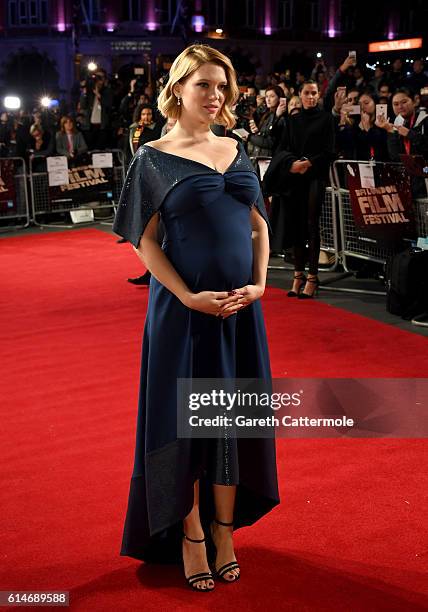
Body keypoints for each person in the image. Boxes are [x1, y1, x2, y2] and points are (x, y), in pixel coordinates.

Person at [112, 43, 279, 591]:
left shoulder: (236, 149)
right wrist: (186, 296)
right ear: (178, 89)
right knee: (184, 423)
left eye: (222, 86)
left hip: (238, 315)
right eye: (204, 85)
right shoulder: (152, 157)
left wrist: (259, 284)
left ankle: (225, 531)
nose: (216, 96)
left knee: (229, 421)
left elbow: (259, 227)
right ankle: (190, 535)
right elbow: (144, 241)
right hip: (183, 315)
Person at [263, 80, 336, 298]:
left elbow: (330, 151)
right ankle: (297, 275)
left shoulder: (327, 119)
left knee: (312, 225)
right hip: (295, 178)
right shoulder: (292, 121)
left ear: (319, 95)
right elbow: (282, 148)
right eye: (307, 93)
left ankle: (312, 277)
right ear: (300, 94)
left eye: (314, 93)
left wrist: (309, 163)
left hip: (315, 177)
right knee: (296, 227)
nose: (311, 97)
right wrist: (292, 164)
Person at [246, 85, 287, 159]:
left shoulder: (282, 118)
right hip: (259, 156)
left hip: (270, 158)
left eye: (272, 96)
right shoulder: (268, 114)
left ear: (280, 98)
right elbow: (264, 134)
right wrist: (257, 132)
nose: (268, 99)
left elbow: (271, 142)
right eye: (267, 96)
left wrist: (250, 137)